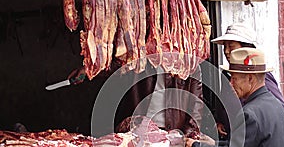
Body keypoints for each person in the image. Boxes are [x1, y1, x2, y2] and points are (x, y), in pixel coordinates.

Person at [68, 61, 204, 135]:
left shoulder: (190, 63)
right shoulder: (141, 55)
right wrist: (88, 70)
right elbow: (115, 66)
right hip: (136, 132)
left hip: (171, 134)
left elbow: (196, 104)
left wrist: (187, 136)